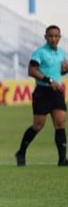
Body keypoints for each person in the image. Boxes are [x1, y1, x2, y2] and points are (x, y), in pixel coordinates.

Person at [15, 25, 68, 166]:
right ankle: (21, 152)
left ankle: (62, 159)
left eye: (56, 36)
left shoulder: (62, 53)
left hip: (56, 92)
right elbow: (31, 70)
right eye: (50, 36)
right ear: (45, 37)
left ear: (60, 37)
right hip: (43, 92)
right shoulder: (39, 52)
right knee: (38, 125)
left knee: (60, 123)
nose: (53, 39)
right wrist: (49, 81)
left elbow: (59, 71)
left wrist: (65, 70)